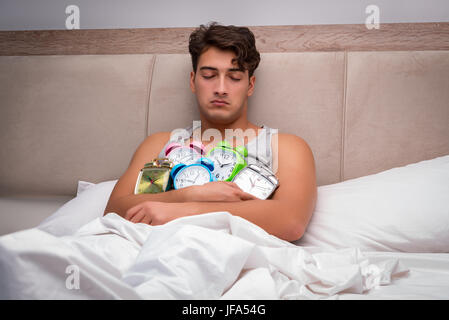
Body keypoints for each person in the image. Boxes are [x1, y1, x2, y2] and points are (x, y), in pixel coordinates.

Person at [104, 22, 317, 242]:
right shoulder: (159, 143)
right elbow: (113, 210)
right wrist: (190, 194)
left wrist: (179, 210)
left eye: (234, 77)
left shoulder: (286, 146)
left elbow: (291, 222)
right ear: (193, 81)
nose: (221, 89)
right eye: (208, 76)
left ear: (250, 85)